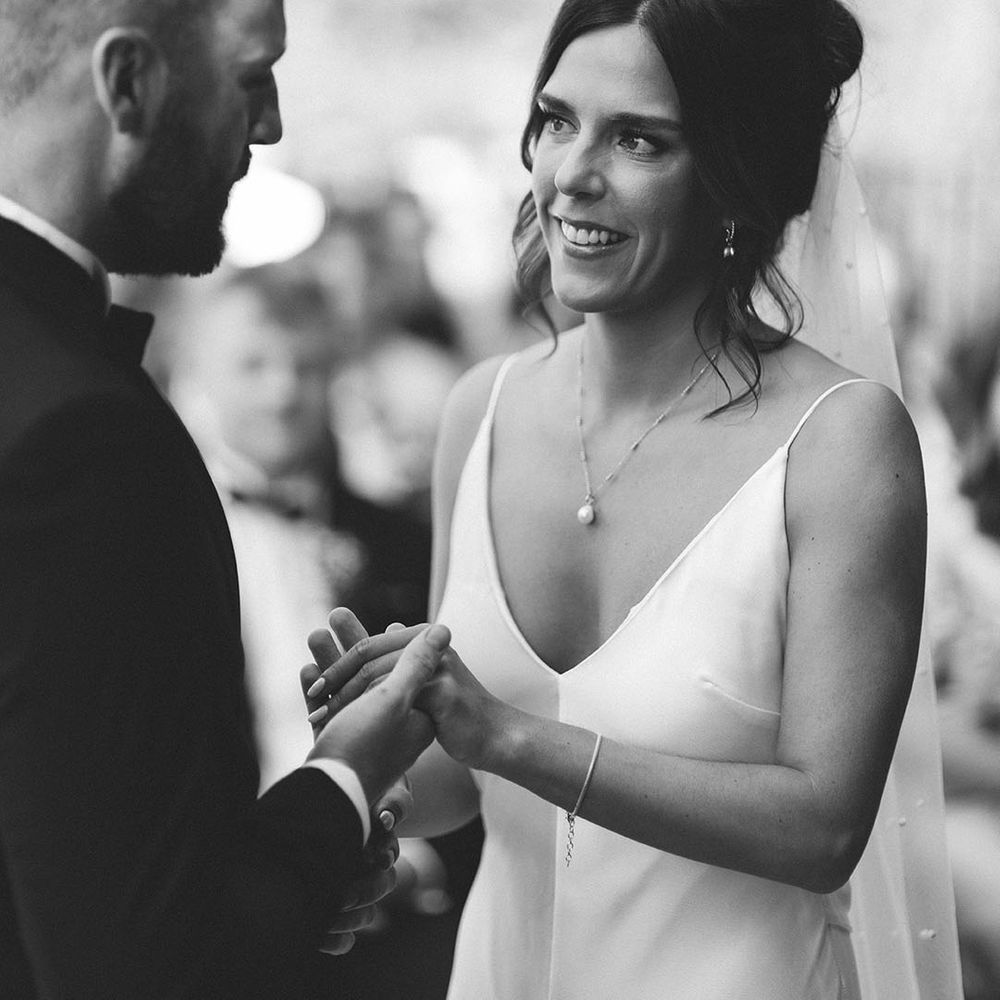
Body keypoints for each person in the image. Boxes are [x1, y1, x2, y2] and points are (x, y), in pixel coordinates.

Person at [305, 1, 963, 997]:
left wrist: (509, 734)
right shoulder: (478, 410)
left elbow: (824, 826)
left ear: (733, 177)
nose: (572, 172)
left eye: (636, 138)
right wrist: (385, 755)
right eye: (556, 120)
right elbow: (461, 791)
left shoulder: (839, 440)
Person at [0, 2, 446, 998]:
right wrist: (341, 780)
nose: (272, 122)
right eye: (251, 75)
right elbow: (142, 965)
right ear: (129, 84)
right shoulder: (81, 436)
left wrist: (281, 869)